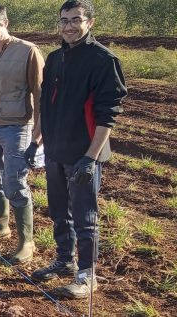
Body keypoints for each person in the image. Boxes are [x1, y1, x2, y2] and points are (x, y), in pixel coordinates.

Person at [29, 0, 126, 299]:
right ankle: (63, 260)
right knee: (59, 211)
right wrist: (37, 141)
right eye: (64, 20)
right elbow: (46, 103)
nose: (69, 26)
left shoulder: (103, 60)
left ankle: (87, 275)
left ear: (90, 23)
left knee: (85, 217)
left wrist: (90, 158)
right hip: (56, 150)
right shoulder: (56, 58)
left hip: (84, 154)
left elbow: (108, 113)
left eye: (76, 20)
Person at [0, 4, 44, 264]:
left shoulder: (28, 51)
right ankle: (0, 227)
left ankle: (27, 242)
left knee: (14, 181)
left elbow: (41, 94)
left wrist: (38, 134)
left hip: (17, 128)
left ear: (6, 23)